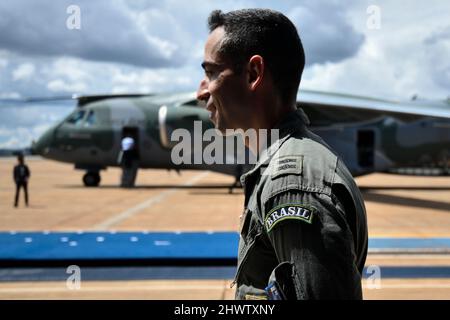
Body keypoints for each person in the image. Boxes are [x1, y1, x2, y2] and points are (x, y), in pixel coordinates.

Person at [197, 9, 368, 300]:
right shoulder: (289, 164)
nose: (202, 91)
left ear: (253, 74)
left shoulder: (292, 184)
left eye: (212, 72)